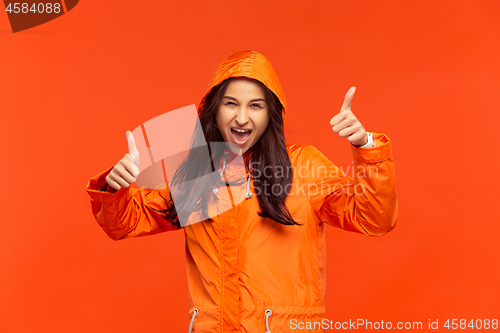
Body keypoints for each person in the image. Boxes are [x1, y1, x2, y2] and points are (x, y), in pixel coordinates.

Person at [85, 50, 398, 333]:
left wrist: (365, 146)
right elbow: (124, 222)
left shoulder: (303, 166)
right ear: (214, 110)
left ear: (270, 113)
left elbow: (374, 218)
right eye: (231, 103)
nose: (242, 117)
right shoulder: (199, 176)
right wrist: (115, 186)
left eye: (256, 106)